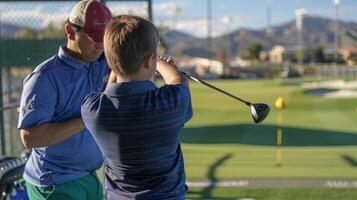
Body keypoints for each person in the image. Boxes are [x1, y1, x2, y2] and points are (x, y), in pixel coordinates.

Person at [81, 15, 193, 200]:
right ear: (150, 60)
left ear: (110, 62)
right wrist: (162, 65)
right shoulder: (170, 102)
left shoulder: (92, 109)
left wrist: (123, 66)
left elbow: (109, 90)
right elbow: (178, 80)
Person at [17, 1, 112, 199]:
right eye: (93, 37)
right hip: (54, 183)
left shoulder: (99, 62)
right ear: (70, 31)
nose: (100, 46)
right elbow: (30, 138)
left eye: (104, 39)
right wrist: (87, 118)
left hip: (88, 177)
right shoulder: (44, 77)